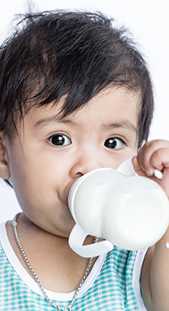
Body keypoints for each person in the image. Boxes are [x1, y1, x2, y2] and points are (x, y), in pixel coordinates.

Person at [0, 10, 169, 311]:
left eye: (113, 142)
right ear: (3, 154)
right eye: (59, 139)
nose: (90, 165)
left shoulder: (137, 255)